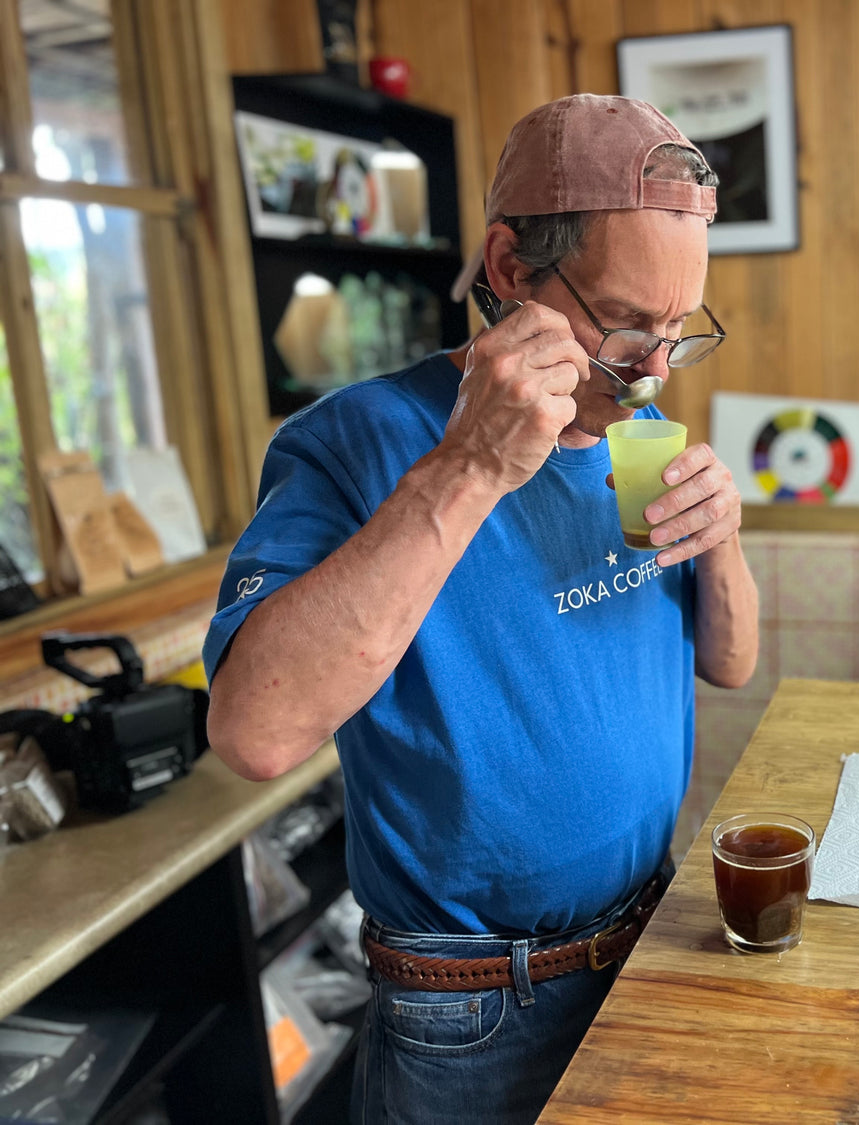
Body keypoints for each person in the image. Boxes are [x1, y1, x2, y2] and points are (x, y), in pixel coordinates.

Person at [203, 94, 759, 1124]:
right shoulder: (359, 440)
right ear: (508, 271)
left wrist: (721, 538)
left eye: (680, 331)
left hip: (653, 944)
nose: (652, 375)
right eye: (627, 324)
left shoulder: (639, 435)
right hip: (471, 1011)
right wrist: (470, 466)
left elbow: (729, 664)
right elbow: (254, 732)